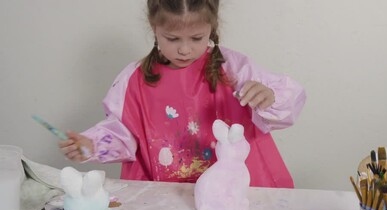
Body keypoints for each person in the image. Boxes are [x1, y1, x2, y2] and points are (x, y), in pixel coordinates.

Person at [59, 0, 306, 188]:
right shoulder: (133, 80)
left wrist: (269, 97)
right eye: (173, 38)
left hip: (235, 190)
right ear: (153, 27)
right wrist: (92, 145)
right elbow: (123, 136)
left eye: (197, 38)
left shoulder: (233, 68)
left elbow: (288, 103)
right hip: (167, 196)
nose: (185, 49)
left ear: (212, 27)